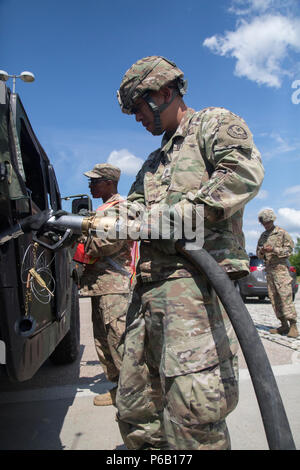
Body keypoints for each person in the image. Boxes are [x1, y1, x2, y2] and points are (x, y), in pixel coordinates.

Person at [112, 55, 264, 450]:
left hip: (194, 291)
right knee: (137, 405)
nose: (137, 119)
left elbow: (241, 174)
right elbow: (133, 208)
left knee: (193, 416)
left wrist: (172, 218)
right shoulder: (153, 162)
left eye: (139, 108)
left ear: (163, 94)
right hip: (147, 293)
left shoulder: (212, 125)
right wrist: (108, 218)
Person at [76, 163, 136, 406]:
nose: (91, 185)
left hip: (114, 283)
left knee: (118, 338)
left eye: (95, 181)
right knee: (103, 339)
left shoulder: (121, 208)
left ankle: (133, 394)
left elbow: (107, 243)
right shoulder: (103, 209)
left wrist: (77, 238)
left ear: (109, 183)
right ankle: (119, 387)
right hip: (101, 284)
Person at [256, 208, 299, 338]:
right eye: (264, 223)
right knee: (274, 298)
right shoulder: (263, 236)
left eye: (268, 222)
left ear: (272, 220)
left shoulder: (282, 233)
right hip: (269, 271)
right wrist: (262, 252)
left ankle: (293, 326)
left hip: (281, 270)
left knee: (285, 297)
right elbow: (258, 254)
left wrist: (273, 249)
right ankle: (283, 324)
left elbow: (289, 251)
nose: (266, 224)